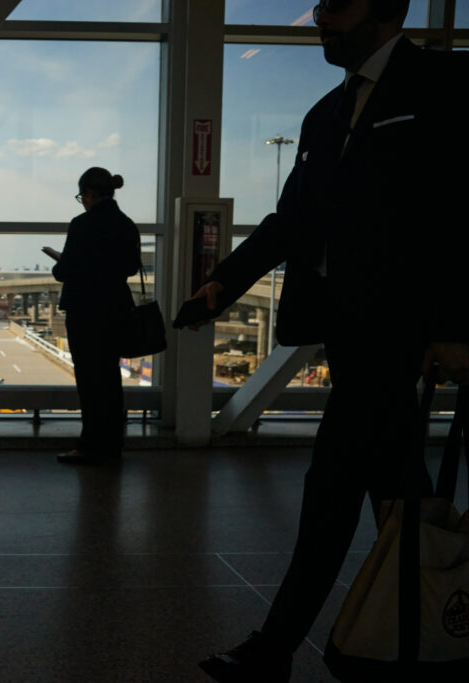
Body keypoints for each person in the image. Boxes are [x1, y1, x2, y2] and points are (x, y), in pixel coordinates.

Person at [188, 2, 469, 681]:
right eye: (319, 6)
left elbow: (463, 212)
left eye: (336, 7)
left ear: (389, 9)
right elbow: (291, 222)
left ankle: (280, 645)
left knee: (333, 491)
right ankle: (429, 633)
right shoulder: (323, 115)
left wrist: (455, 325)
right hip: (350, 332)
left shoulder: (443, 87)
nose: (320, 20)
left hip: (399, 334)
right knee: (398, 496)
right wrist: (222, 284)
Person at [48, 167, 141, 465]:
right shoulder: (127, 225)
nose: (83, 201)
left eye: (82, 196)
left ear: (89, 193)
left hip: (85, 311)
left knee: (89, 382)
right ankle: (112, 448)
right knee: (110, 380)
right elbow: (129, 267)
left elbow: (64, 271)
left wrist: (63, 263)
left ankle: (89, 447)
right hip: (115, 309)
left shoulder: (82, 224)